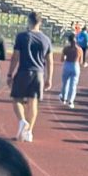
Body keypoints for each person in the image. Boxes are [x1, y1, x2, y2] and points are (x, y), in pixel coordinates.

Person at [7, 11, 53, 143]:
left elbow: (15, 56)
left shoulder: (22, 37)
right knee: (33, 102)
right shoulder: (46, 39)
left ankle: (22, 121)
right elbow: (49, 61)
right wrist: (49, 78)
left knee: (17, 98)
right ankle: (29, 132)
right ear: (40, 23)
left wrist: (10, 74)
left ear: (29, 21)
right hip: (39, 73)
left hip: (24, 71)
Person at [59, 32, 84, 109]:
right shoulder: (79, 49)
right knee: (73, 85)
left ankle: (64, 98)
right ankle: (71, 101)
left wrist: (66, 58)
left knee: (65, 83)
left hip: (67, 65)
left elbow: (62, 59)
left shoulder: (66, 48)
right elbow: (81, 61)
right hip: (75, 66)